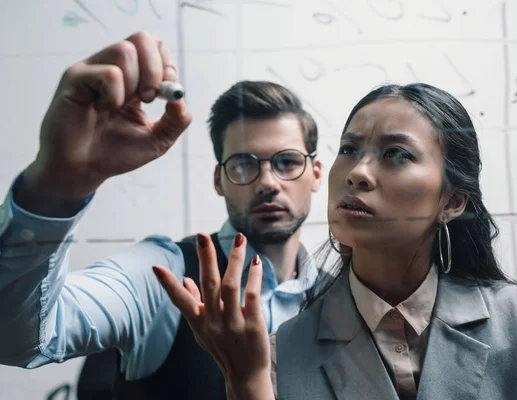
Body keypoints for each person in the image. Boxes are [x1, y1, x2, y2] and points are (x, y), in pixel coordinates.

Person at [157, 83, 517, 400]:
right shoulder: (275, 355)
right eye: (349, 149)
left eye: (396, 154)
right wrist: (247, 383)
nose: (357, 173)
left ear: (452, 200)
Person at [0, 31, 322, 399]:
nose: (267, 182)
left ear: (315, 173)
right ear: (219, 180)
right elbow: (16, 338)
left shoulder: (343, 290)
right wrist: (58, 184)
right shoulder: (164, 276)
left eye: (287, 162)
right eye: (244, 164)